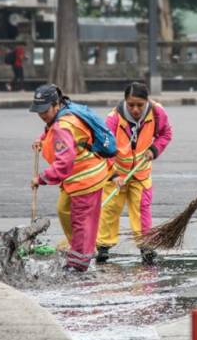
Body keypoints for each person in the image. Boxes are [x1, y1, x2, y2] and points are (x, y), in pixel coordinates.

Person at [29, 84, 111, 272]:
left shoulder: (62, 126)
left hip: (84, 179)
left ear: (56, 104)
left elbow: (64, 164)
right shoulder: (67, 113)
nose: (42, 115)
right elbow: (52, 131)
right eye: (39, 111)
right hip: (89, 173)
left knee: (81, 220)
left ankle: (79, 263)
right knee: (64, 209)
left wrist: (40, 178)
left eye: (45, 110)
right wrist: (42, 139)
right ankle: (82, 248)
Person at [96, 82, 173, 265]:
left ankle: (146, 246)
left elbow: (166, 134)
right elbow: (103, 149)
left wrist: (154, 150)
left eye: (140, 104)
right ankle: (103, 247)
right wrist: (114, 175)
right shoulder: (113, 119)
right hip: (115, 172)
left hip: (141, 171)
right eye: (131, 105)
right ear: (125, 101)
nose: (136, 109)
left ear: (147, 101)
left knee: (141, 210)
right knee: (109, 209)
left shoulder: (157, 113)